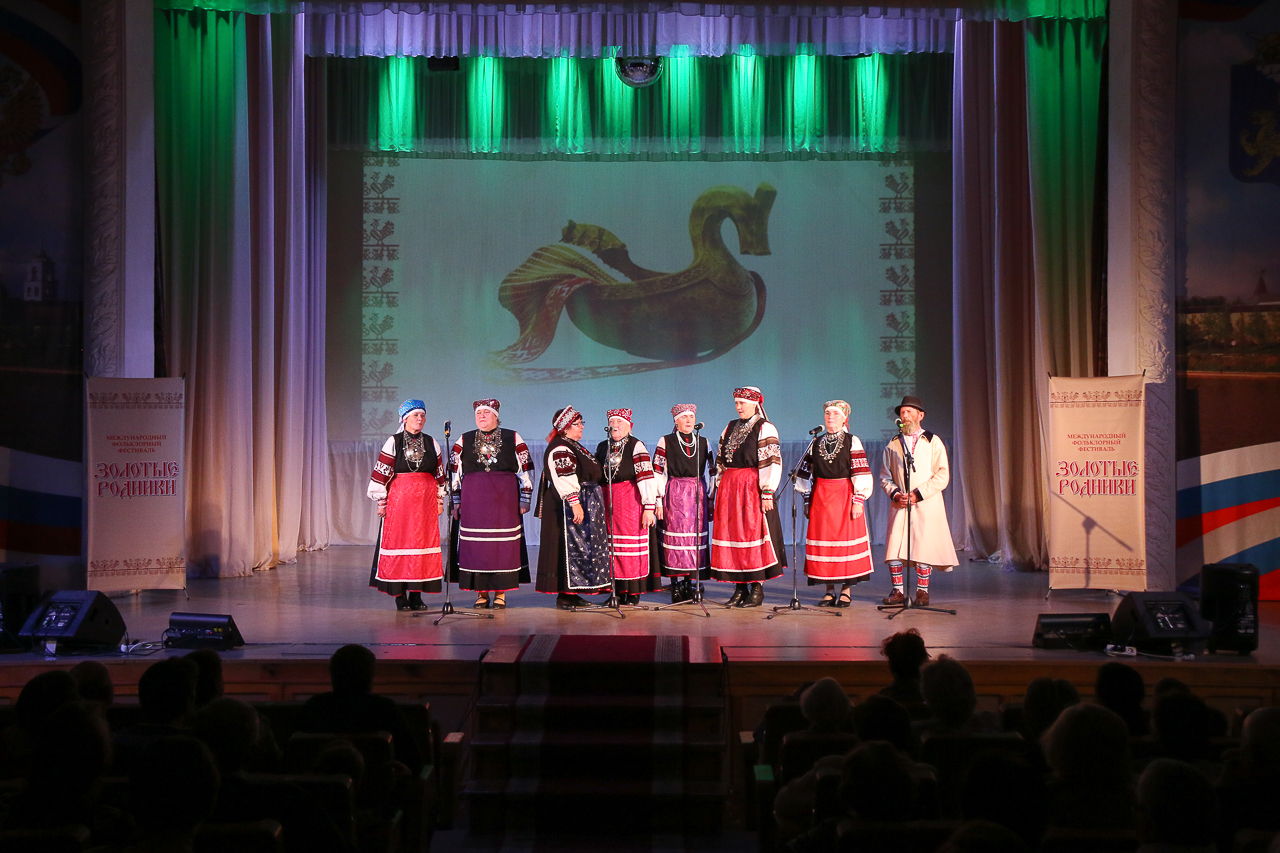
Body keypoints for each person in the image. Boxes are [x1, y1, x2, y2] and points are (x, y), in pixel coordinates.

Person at [449, 398, 534, 609]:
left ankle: (500, 593)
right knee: (477, 547)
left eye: (486, 413)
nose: (481, 416)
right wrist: (456, 501)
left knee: (501, 547)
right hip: (474, 499)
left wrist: (525, 497)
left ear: (496, 416)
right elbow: (454, 473)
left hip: (504, 499)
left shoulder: (513, 437)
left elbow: (526, 469)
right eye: (478, 413)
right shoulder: (464, 439)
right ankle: (481, 593)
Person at [368, 399, 446, 611]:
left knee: (421, 545)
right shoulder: (393, 441)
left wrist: (439, 500)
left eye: (422, 416)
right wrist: (381, 502)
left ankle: (416, 595)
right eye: (415, 416)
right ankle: (400, 596)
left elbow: (439, 474)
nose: (419, 419)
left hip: (425, 504)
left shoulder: (431, 442)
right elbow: (382, 473)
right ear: (404, 419)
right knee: (401, 543)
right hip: (400, 502)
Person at [710, 386, 785, 607]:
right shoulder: (730, 426)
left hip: (751, 487)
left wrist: (767, 491)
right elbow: (721, 460)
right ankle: (739, 588)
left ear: (754, 404)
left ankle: (756, 588)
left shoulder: (765, 428)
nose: (738, 407)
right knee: (732, 534)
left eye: (742, 403)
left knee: (752, 533)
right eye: (736, 403)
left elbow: (771, 461)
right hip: (730, 487)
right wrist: (718, 487)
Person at [795, 400, 875, 607]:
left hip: (844, 495)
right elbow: (806, 473)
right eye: (828, 413)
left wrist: (858, 500)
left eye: (836, 414)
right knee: (824, 543)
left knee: (844, 543)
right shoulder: (815, 442)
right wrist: (807, 499)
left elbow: (860, 471)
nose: (831, 417)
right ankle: (829, 591)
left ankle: (846, 590)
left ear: (844, 418)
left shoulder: (852, 440)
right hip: (821, 496)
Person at [880, 395, 958, 607]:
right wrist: (897, 494)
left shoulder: (933, 441)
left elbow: (942, 474)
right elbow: (885, 476)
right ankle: (898, 591)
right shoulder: (893, 443)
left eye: (909, 412)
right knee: (895, 546)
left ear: (920, 415)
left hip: (926, 502)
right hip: (901, 503)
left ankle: (922, 592)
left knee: (924, 545)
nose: (905, 416)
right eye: (902, 413)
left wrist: (918, 494)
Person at [534, 406, 613, 609]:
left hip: (581, 501)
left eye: (581, 423)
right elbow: (565, 476)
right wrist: (575, 503)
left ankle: (573, 592)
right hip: (567, 505)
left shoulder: (572, 445)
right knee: (567, 547)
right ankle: (566, 595)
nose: (582, 427)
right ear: (566, 427)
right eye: (577, 424)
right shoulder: (560, 448)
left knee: (577, 547)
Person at [595, 408, 661, 604]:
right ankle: (615, 591)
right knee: (611, 549)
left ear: (629, 426)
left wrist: (649, 507)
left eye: (619, 422)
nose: (615, 425)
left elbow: (646, 477)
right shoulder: (603, 446)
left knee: (629, 549)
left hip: (630, 502)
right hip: (608, 503)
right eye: (612, 422)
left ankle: (632, 592)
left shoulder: (636, 445)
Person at [652, 403, 712, 603]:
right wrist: (658, 501)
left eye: (691, 417)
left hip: (697, 495)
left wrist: (710, 497)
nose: (688, 421)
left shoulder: (703, 442)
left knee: (693, 542)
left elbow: (712, 472)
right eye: (684, 417)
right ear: (676, 421)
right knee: (675, 540)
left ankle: (689, 582)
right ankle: (675, 583)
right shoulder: (666, 441)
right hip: (675, 493)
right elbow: (657, 472)